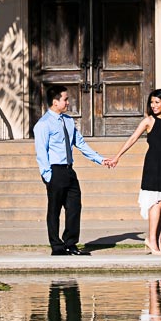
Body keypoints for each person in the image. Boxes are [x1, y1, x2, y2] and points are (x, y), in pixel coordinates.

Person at [33, 84, 109, 256]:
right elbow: (41, 152)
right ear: (55, 102)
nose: (68, 103)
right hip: (55, 171)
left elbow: (80, 143)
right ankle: (57, 246)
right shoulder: (43, 124)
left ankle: (70, 244)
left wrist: (100, 159)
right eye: (65, 99)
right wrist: (47, 176)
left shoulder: (68, 121)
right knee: (54, 210)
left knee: (74, 207)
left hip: (69, 170)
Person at [108, 88, 161, 255]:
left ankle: (158, 241)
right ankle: (151, 241)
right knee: (156, 203)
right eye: (152, 102)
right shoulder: (148, 121)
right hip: (153, 165)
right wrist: (117, 156)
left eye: (157, 102)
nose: (154, 105)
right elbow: (133, 138)